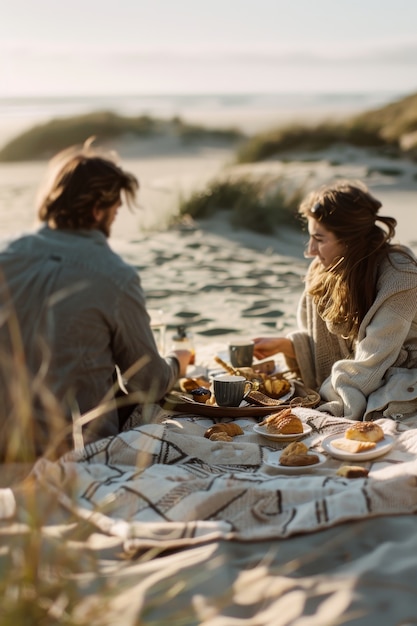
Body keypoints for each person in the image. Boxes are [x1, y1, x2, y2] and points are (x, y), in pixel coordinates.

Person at [0, 142, 191, 460]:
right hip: (75, 450)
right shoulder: (115, 275)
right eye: (115, 212)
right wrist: (177, 362)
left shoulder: (7, 256)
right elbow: (148, 383)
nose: (113, 223)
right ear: (97, 210)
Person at [253, 180, 417, 421]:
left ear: (351, 240)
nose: (310, 251)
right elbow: (326, 345)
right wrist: (287, 346)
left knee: (390, 397)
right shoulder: (323, 272)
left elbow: (373, 359)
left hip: (398, 369)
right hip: (365, 369)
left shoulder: (401, 278)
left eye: (319, 239)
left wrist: (323, 411)